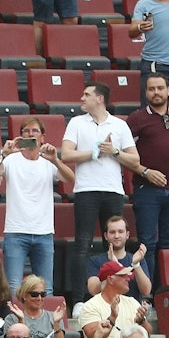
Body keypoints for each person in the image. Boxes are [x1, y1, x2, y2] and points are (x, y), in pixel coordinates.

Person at [61, 83, 140, 300]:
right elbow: (66, 155)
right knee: (82, 244)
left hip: (113, 190)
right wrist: (95, 151)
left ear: (100, 98)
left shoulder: (119, 125)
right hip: (86, 189)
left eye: (87, 94)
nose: (82, 98)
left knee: (114, 243)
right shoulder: (76, 122)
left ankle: (116, 296)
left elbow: (135, 159)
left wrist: (114, 151)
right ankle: (78, 299)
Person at [0, 116, 74, 293]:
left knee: (46, 288)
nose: (30, 134)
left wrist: (55, 160)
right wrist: (3, 153)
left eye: (35, 131)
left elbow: (70, 178)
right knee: (13, 286)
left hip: (44, 232)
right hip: (16, 231)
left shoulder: (47, 161)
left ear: (42, 137)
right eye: (26, 131)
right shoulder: (11, 159)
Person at [127, 74, 169, 286]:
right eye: (151, 89)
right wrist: (145, 172)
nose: (156, 92)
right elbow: (125, 155)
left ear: (168, 90)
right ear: (146, 92)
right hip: (146, 190)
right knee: (147, 243)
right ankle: (148, 293)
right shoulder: (136, 119)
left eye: (160, 88)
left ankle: (166, 292)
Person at [85, 215, 152, 300]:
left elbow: (146, 291)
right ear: (106, 236)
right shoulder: (95, 261)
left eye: (120, 232)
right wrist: (113, 266)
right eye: (112, 232)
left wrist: (136, 265)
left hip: (132, 308)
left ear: (127, 235)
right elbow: (93, 290)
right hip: (107, 307)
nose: (116, 236)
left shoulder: (137, 259)